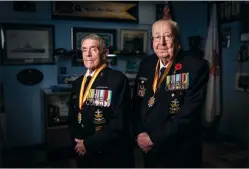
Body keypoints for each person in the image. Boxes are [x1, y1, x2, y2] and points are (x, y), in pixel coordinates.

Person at [131, 19, 209, 168]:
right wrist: (140, 133)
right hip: (148, 148)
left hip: (178, 152)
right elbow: (137, 103)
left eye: (167, 36)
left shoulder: (195, 66)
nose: (162, 42)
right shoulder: (146, 64)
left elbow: (189, 113)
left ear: (177, 39)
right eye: (157, 37)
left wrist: (153, 138)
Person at [68, 34, 134, 168]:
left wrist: (88, 144)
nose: (88, 54)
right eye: (84, 50)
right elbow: (73, 116)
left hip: (109, 155)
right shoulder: (78, 82)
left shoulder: (117, 80)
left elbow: (119, 122)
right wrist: (79, 142)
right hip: (83, 152)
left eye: (93, 49)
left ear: (105, 53)